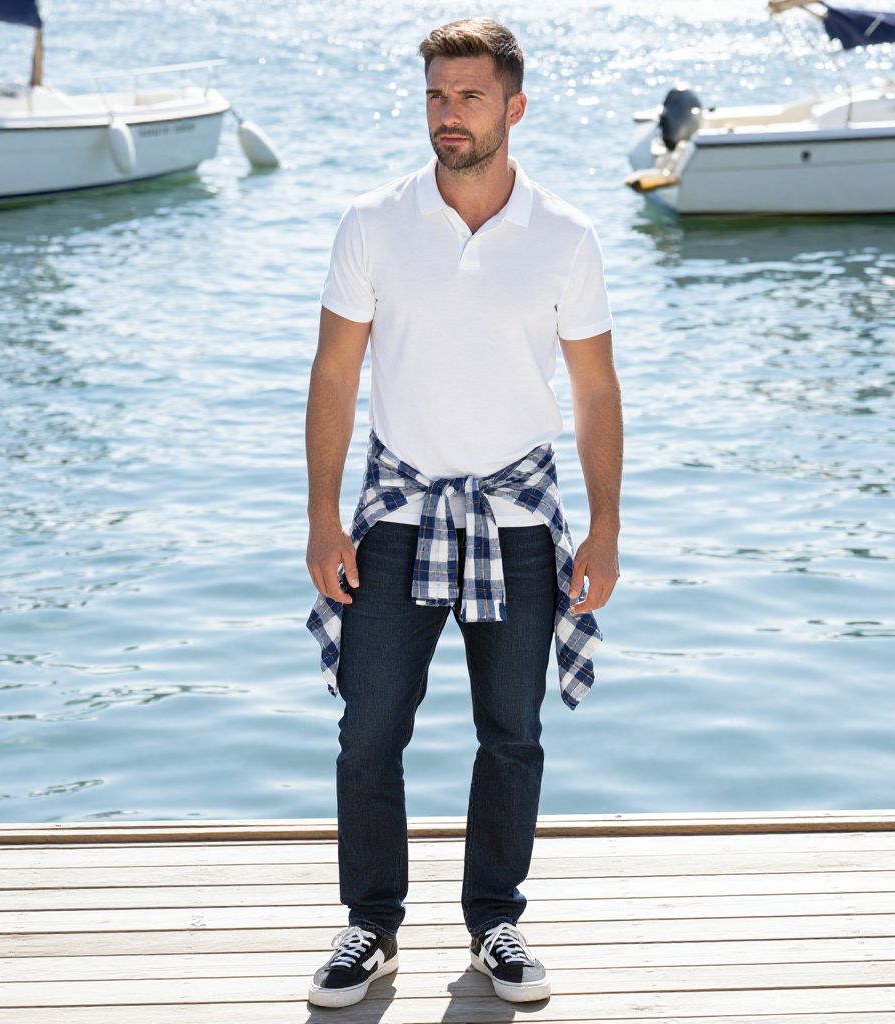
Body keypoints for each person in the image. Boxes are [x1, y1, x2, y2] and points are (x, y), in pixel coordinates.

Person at [303, 17, 623, 1008]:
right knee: (369, 730)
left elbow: (596, 393)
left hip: (518, 521)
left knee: (511, 731)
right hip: (397, 515)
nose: (450, 114)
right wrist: (323, 514)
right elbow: (334, 371)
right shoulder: (374, 221)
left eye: (470, 96)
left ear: (513, 107)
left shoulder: (566, 236)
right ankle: (372, 925)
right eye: (438, 95)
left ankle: (495, 924)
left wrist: (605, 526)